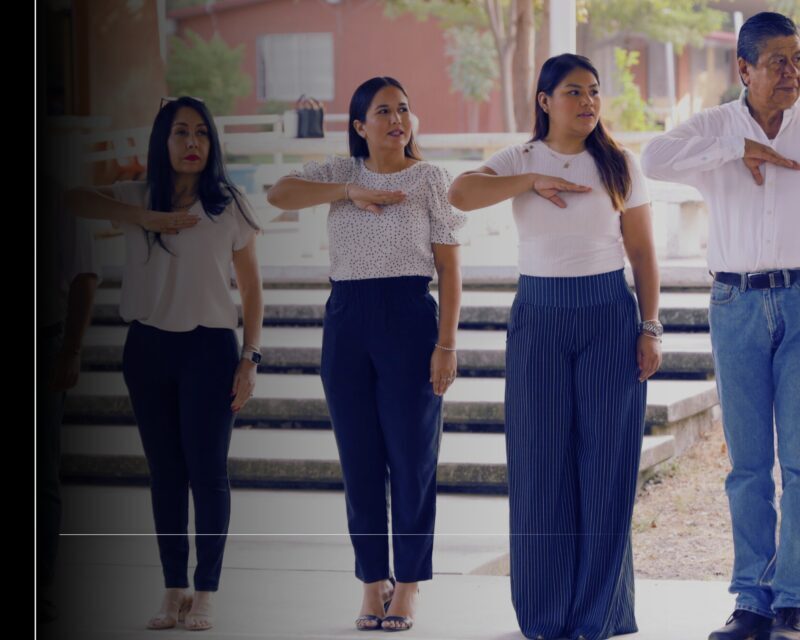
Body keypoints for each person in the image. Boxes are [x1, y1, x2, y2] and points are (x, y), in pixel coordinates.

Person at [449, 54, 662, 640]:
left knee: (606, 466)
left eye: (594, 91)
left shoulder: (620, 164)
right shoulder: (519, 158)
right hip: (538, 319)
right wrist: (531, 181)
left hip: (609, 316)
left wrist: (650, 326)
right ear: (544, 101)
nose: (588, 101)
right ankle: (545, 616)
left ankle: (598, 615)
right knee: (539, 464)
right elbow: (460, 193)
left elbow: (642, 252)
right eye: (574, 91)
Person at [268, 76, 465, 632]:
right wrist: (348, 193)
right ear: (359, 125)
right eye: (383, 111)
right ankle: (371, 581)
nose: (397, 119)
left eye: (403, 108)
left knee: (412, 460)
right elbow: (279, 194)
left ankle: (409, 585)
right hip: (347, 322)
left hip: (409, 319)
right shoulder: (340, 172)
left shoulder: (429, 179)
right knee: (358, 463)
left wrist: (447, 344)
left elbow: (450, 269)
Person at [65, 96, 264, 631]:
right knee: (166, 475)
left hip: (210, 350)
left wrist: (250, 358)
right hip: (148, 350)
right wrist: (144, 217)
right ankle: (173, 587)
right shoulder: (135, 196)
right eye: (181, 132)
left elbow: (251, 290)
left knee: (208, 473)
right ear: (163, 139)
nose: (193, 142)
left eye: (201, 132)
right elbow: (69, 197)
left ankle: (206, 592)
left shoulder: (229, 203)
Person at [641, 12, 800, 640]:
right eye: (779, 61)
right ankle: (753, 600)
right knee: (749, 465)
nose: (792, 72)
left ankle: (793, 598)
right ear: (744, 69)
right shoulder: (715, 127)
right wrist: (739, 149)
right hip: (735, 305)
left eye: (798, 59)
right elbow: (652, 158)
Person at [38, 175, 100, 626]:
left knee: (41, 475)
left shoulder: (53, 191)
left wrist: (72, 350)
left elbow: (84, 275)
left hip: (43, 344)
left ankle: (40, 590)